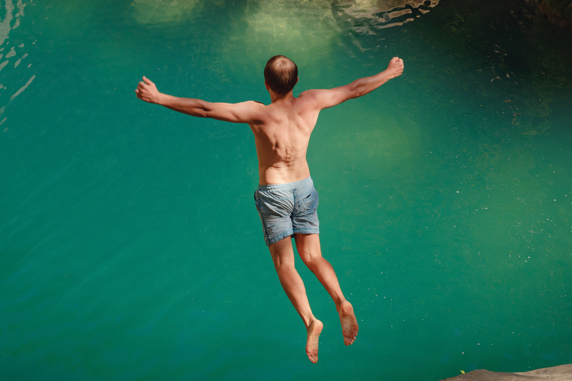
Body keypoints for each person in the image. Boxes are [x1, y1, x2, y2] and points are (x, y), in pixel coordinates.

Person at [135, 55, 405, 363]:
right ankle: (341, 300)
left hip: (274, 192)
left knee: (285, 264)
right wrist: (389, 72)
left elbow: (205, 108)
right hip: (304, 186)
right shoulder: (311, 101)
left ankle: (311, 320)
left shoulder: (259, 113)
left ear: (266, 84)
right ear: (297, 82)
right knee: (313, 256)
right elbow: (355, 88)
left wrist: (159, 97)